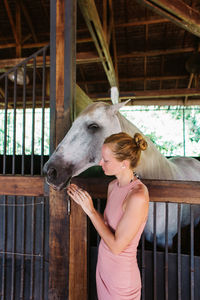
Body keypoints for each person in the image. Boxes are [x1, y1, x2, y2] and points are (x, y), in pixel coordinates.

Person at [67, 132, 149, 300]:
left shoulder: (138, 196)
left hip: (121, 279)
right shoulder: (113, 186)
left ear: (124, 164)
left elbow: (117, 246)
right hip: (104, 269)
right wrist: (83, 201)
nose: (100, 163)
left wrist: (89, 210)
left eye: (106, 160)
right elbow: (106, 228)